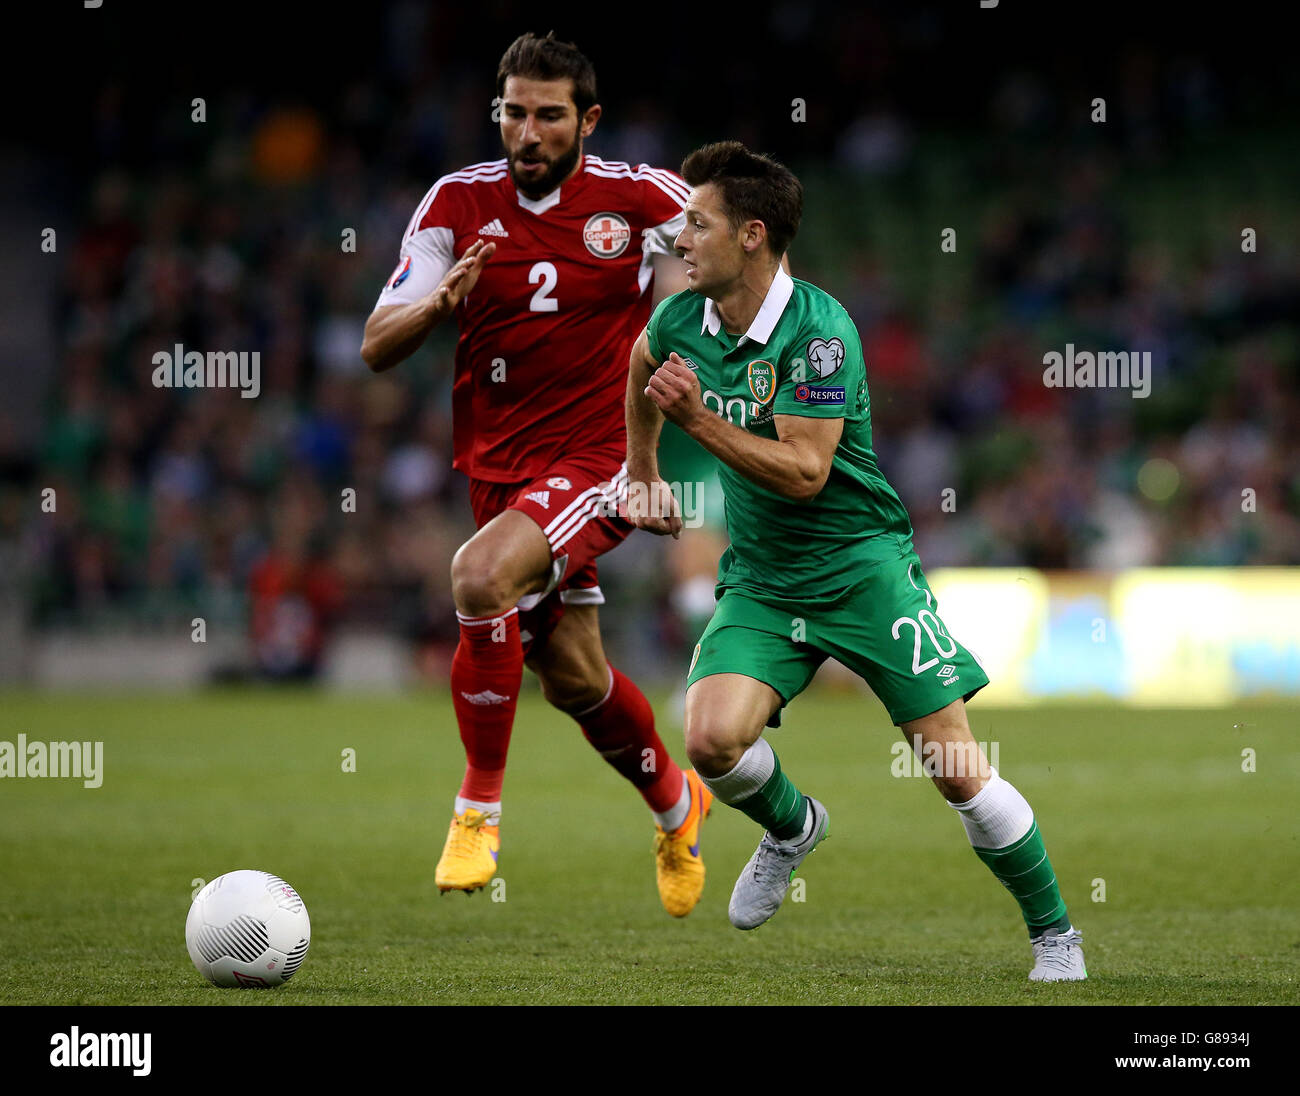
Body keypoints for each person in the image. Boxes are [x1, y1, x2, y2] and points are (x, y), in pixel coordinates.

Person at [624, 140, 1086, 979]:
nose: (678, 238)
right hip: (764, 576)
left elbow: (806, 473)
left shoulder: (822, 331)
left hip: (860, 566)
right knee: (711, 740)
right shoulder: (681, 317)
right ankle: (794, 825)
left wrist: (694, 424)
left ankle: (1055, 934)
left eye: (697, 224)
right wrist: (642, 473)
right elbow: (640, 363)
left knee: (953, 767)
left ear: (752, 235)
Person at [360, 32, 711, 917]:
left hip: (602, 461)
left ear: (585, 119)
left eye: (549, 115)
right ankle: (678, 806)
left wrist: (687, 303)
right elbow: (375, 344)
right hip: (498, 472)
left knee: (478, 576)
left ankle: (476, 810)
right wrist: (439, 304)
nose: (529, 131)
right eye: (514, 112)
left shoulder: (639, 195)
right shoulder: (455, 203)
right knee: (575, 678)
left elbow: (738, 258)